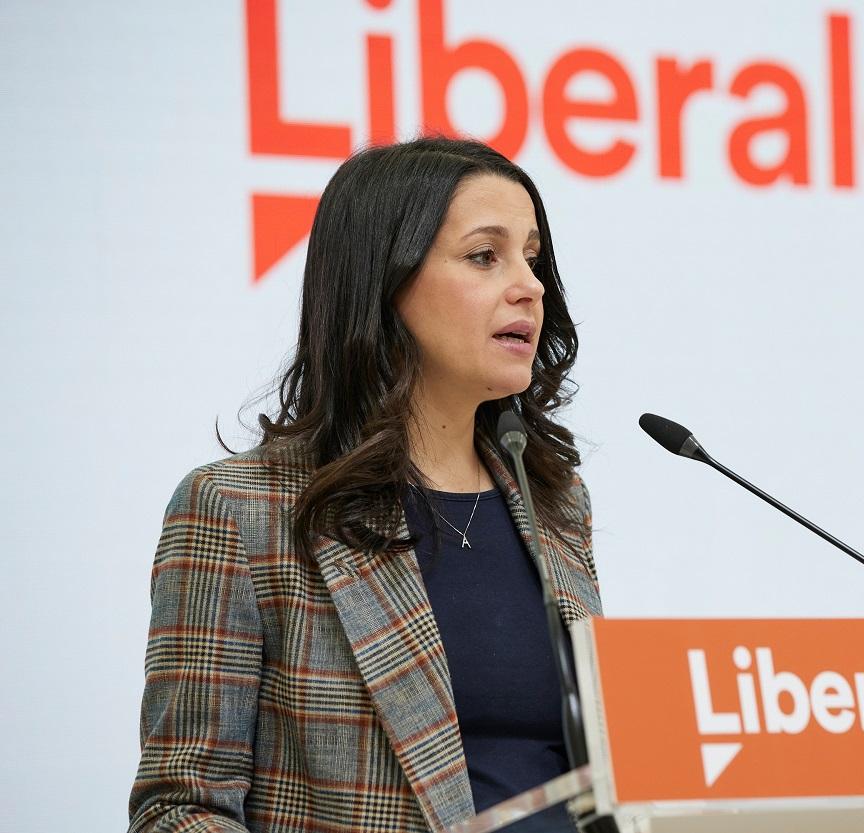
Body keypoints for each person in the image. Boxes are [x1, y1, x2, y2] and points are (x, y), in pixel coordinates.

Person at [129, 137, 601, 833]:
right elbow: (180, 808)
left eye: (532, 257)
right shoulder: (241, 510)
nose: (529, 285)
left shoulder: (554, 503)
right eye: (484, 255)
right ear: (385, 278)